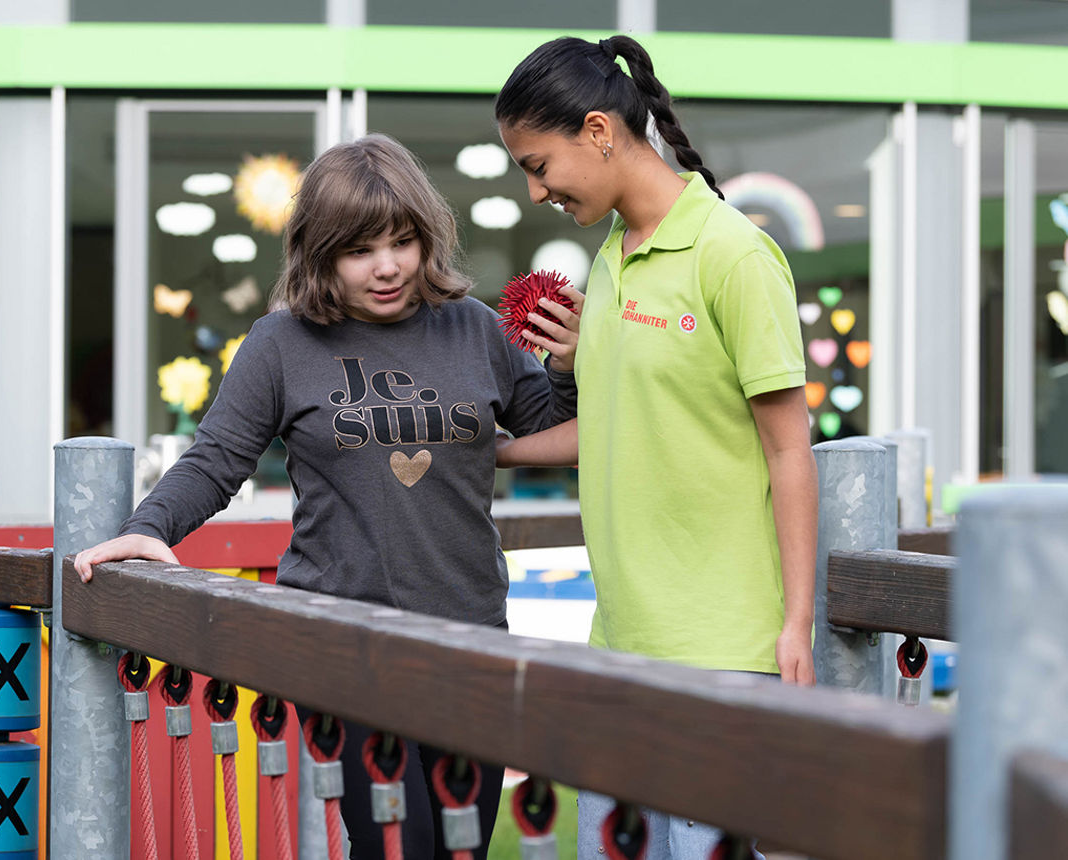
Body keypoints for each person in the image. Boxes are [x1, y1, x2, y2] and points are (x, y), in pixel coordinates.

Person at [73, 133, 582, 860]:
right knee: (398, 847)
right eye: (359, 250)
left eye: (403, 242)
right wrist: (149, 526)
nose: (387, 266)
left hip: (470, 641)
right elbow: (216, 460)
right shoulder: (282, 343)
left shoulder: (473, 327)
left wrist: (566, 366)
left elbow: (554, 428)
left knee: (459, 849)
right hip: (344, 644)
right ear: (320, 254)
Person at [494, 35, 818, 860]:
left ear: (599, 132)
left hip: (723, 652)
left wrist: (796, 624)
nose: (536, 191)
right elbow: (613, 426)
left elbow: (790, 452)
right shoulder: (612, 258)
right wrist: (493, 452)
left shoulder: (734, 255)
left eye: (539, 166)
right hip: (618, 644)